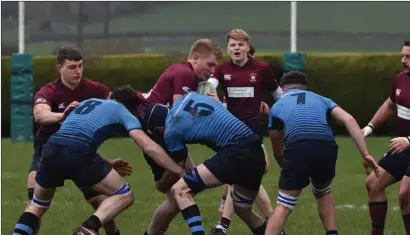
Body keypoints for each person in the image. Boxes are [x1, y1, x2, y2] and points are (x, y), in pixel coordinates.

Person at [12, 86, 186, 235]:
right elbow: (149, 147)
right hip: (77, 152)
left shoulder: (87, 102)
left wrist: (106, 162)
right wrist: (178, 170)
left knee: (37, 205)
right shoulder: (123, 111)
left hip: (51, 148)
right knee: (124, 195)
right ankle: (90, 227)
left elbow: (74, 133)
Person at [265, 71, 380, 235]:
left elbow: (278, 149)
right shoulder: (322, 99)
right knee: (323, 190)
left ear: (283, 89)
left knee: (284, 204)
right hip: (326, 146)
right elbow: (349, 120)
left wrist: (288, 167)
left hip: (299, 147)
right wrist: (365, 153)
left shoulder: (276, 106)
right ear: (306, 88)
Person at [28, 45, 127, 235]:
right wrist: (62, 115)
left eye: (80, 66)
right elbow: (40, 115)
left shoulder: (94, 89)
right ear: (60, 68)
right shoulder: (49, 91)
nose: (78, 71)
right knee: (34, 205)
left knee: (103, 203)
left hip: (80, 152)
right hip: (47, 150)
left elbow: (118, 105)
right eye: (72, 67)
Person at [140, 39, 223, 235]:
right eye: (210, 64)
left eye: (215, 66)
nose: (212, 71)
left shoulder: (187, 75)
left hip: (162, 137)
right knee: (187, 187)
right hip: (161, 138)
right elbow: (180, 115)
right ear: (195, 58)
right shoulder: (184, 73)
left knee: (179, 193)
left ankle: (154, 232)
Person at [209, 29, 283, 235]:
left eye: (240, 44)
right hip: (229, 131)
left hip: (251, 132)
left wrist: (287, 114)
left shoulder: (261, 68)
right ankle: (270, 222)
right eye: (232, 45)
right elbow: (209, 86)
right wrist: (212, 98)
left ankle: (223, 223)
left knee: (244, 173)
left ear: (248, 47)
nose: (237, 48)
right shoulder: (222, 69)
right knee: (246, 174)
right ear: (228, 49)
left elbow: (279, 95)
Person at [362, 40, 410, 235]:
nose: (403, 60)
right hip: (403, 148)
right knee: (373, 183)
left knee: (405, 193)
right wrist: (369, 127)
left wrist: (408, 140)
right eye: (403, 55)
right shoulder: (400, 79)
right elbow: (390, 104)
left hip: (406, 144)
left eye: (408, 57)